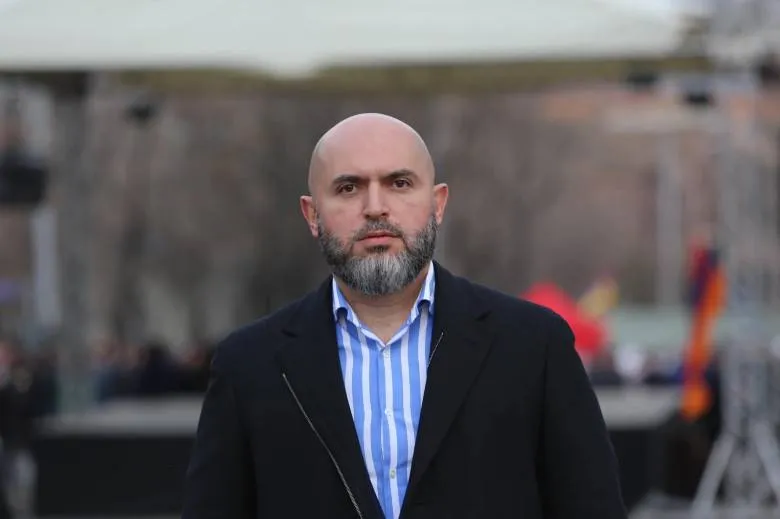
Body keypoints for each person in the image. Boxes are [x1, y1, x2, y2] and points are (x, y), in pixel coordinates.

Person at [182, 113, 626, 519]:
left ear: (438, 203)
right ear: (312, 214)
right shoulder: (249, 365)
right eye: (348, 188)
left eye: (399, 183)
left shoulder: (533, 346)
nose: (376, 207)